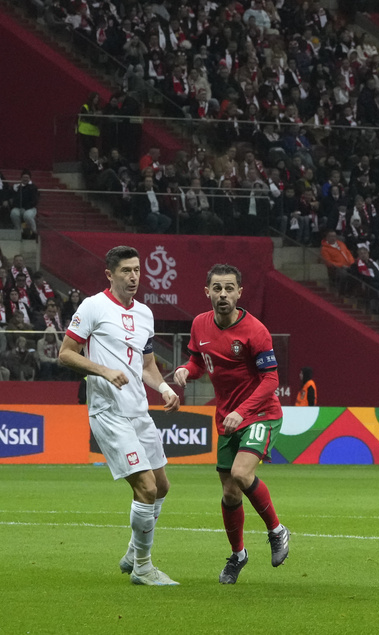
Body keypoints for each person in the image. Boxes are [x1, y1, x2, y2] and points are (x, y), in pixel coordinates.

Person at [58, 245, 181, 586]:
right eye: (126, 271)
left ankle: (133, 550)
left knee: (162, 487)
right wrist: (102, 370)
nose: (133, 277)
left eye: (137, 270)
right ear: (109, 274)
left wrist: (165, 388)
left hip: (138, 409)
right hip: (108, 412)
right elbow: (66, 353)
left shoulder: (145, 314)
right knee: (145, 487)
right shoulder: (93, 307)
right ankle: (143, 567)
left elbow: (147, 365)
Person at [172, 264, 290, 584]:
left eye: (229, 288)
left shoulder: (256, 331)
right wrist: (187, 370)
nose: (223, 294)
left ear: (239, 292)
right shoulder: (199, 324)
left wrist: (243, 410)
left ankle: (276, 530)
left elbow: (271, 380)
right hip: (226, 418)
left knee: (241, 473)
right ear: (207, 292)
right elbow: (199, 361)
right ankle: (238, 555)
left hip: (261, 412)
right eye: (217, 288)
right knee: (229, 493)